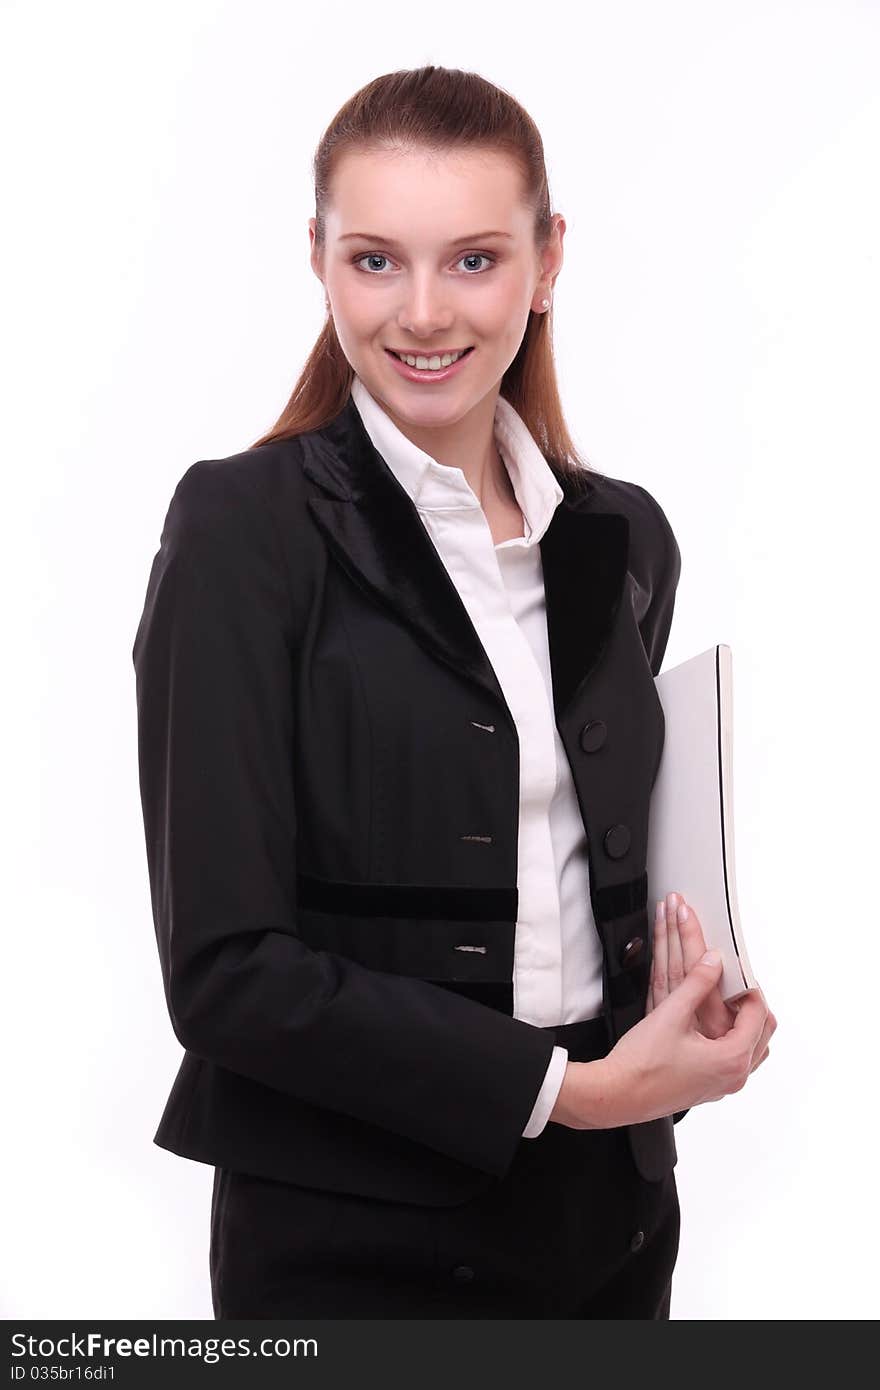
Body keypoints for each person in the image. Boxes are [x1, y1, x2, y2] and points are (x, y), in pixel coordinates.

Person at [131, 65, 776, 1321]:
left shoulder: (622, 537)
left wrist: (692, 1003)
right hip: (350, 1237)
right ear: (316, 259)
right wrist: (567, 1088)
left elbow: (591, 874)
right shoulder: (241, 531)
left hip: (613, 1217)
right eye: (375, 261)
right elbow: (224, 971)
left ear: (548, 261)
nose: (422, 313)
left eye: (473, 260)